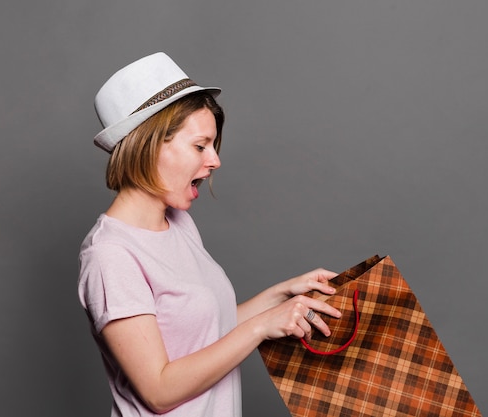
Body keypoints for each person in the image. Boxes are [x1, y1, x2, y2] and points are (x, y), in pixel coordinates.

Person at [77, 52, 341, 417]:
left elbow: (204, 329)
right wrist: (262, 327)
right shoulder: (111, 255)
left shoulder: (179, 223)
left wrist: (281, 296)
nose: (215, 160)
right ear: (149, 145)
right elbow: (159, 390)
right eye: (200, 146)